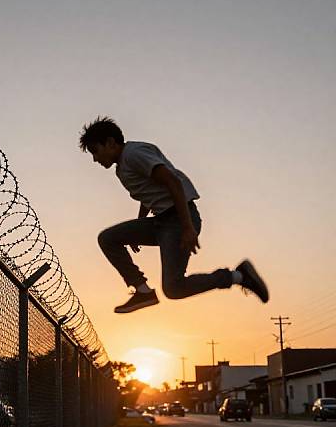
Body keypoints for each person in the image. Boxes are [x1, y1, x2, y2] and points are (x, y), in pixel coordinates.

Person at [79, 116, 269, 313]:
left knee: (174, 288)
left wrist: (187, 227)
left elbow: (173, 182)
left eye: (95, 151)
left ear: (110, 142)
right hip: (161, 221)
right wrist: (139, 225)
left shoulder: (134, 154)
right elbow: (149, 194)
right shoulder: (122, 167)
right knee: (108, 238)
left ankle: (239, 276)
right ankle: (143, 291)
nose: (95, 159)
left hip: (178, 219)